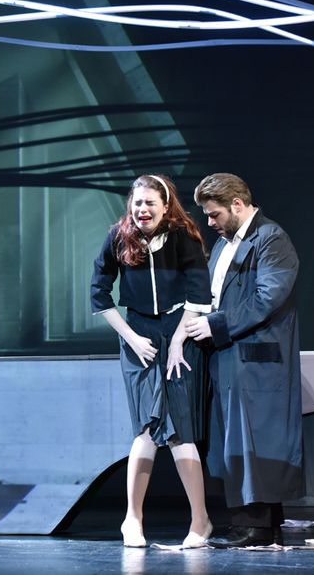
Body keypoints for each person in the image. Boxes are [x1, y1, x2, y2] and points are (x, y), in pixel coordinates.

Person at [90, 174, 213, 548]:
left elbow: (200, 293)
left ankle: (201, 521)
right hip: (138, 333)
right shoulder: (119, 237)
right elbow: (99, 294)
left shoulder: (183, 236)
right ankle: (132, 519)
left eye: (149, 203)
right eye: (137, 203)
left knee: (179, 430)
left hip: (180, 329)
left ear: (165, 205)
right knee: (146, 427)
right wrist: (131, 337)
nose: (142, 209)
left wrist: (178, 340)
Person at [185, 173, 304, 548]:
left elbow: (268, 297)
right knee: (235, 442)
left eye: (214, 214)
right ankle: (258, 525)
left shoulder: (270, 238)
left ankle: (255, 527)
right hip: (230, 355)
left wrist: (216, 324)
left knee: (256, 442)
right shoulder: (224, 245)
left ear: (237, 204)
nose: (210, 222)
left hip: (256, 357)